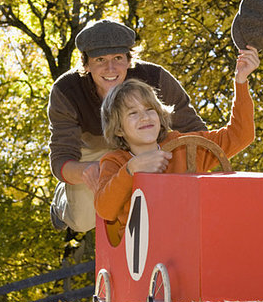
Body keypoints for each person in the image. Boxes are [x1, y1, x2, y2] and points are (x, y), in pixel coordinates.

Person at [47, 19, 206, 232]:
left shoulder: (155, 78)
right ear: (86, 64)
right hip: (95, 156)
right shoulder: (67, 91)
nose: (110, 68)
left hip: (147, 147)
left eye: (118, 58)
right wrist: (89, 171)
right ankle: (62, 201)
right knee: (83, 223)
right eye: (100, 59)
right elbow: (61, 159)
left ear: (130, 60)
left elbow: (195, 131)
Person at [94, 46, 259, 245]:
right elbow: (105, 208)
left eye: (149, 109)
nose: (145, 117)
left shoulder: (184, 147)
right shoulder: (116, 162)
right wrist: (131, 170)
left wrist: (240, 82)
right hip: (143, 254)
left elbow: (240, 135)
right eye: (133, 113)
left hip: (192, 242)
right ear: (119, 129)